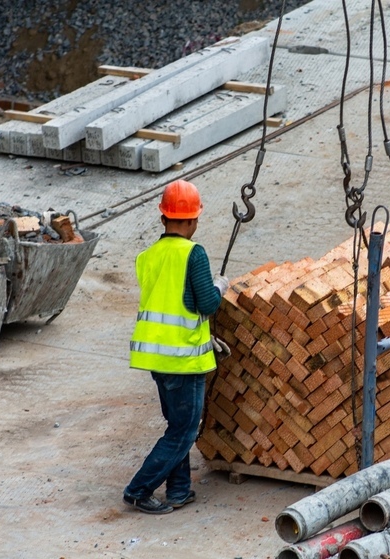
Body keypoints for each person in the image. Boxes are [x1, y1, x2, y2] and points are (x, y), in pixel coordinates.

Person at [123, 179, 230, 515]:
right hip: (183, 359)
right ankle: (138, 490)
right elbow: (206, 304)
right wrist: (220, 285)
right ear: (191, 220)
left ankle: (180, 490)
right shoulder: (192, 254)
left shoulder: (147, 256)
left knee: (176, 426)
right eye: (196, 219)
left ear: (163, 218)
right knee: (184, 432)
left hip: (155, 357)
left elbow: (170, 300)